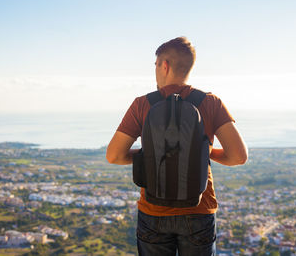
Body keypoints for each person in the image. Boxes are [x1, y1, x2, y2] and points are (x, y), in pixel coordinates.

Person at [106, 37, 248, 255]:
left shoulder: (142, 104)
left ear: (164, 65)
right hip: (199, 208)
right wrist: (204, 151)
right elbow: (238, 156)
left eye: (155, 66)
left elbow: (114, 156)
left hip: (153, 210)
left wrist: (149, 154)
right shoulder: (210, 102)